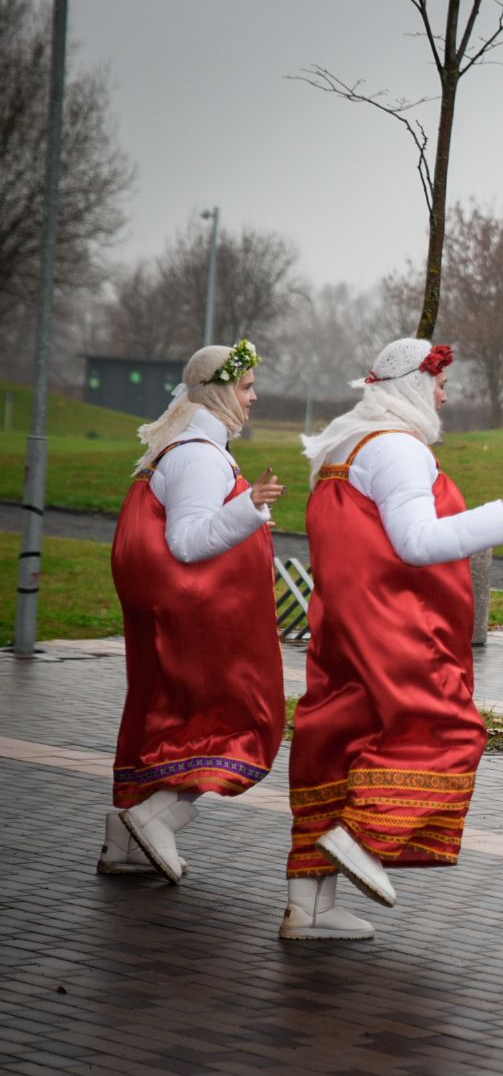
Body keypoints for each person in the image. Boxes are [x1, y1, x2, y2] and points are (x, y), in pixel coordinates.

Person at [281, 338, 503, 941]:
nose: (446, 394)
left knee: (337, 744)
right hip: (392, 624)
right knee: (446, 728)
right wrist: (500, 514)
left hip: (341, 622)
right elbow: (415, 542)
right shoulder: (399, 449)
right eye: (439, 382)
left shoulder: (342, 446)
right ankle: (363, 837)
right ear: (411, 387)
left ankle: (308, 906)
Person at [105, 340, 285, 884]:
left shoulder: (186, 449)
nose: (254, 398)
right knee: (228, 723)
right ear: (220, 391)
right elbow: (187, 541)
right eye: (247, 387)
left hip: (188, 618)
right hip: (202, 625)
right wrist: (250, 509)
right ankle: (156, 816)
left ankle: (125, 843)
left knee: (162, 718)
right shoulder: (200, 456)